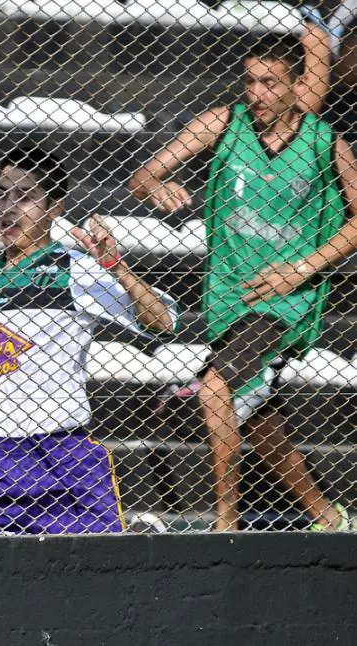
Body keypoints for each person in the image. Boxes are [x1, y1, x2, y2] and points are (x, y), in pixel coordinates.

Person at [129, 34, 357, 531]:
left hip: (286, 301)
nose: (256, 92)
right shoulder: (223, 122)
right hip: (229, 296)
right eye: (250, 80)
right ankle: (326, 515)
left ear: (298, 86)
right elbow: (143, 175)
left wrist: (301, 269)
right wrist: (155, 186)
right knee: (254, 416)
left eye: (270, 82)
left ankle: (225, 523)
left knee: (216, 390)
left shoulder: (323, 142)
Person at [0, 148, 178, 537]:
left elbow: (163, 323)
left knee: (97, 567)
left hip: (59, 453)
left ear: (54, 209)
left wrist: (117, 267)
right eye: (2, 194)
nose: (9, 208)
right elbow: (4, 356)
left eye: (26, 197)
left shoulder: (74, 268)